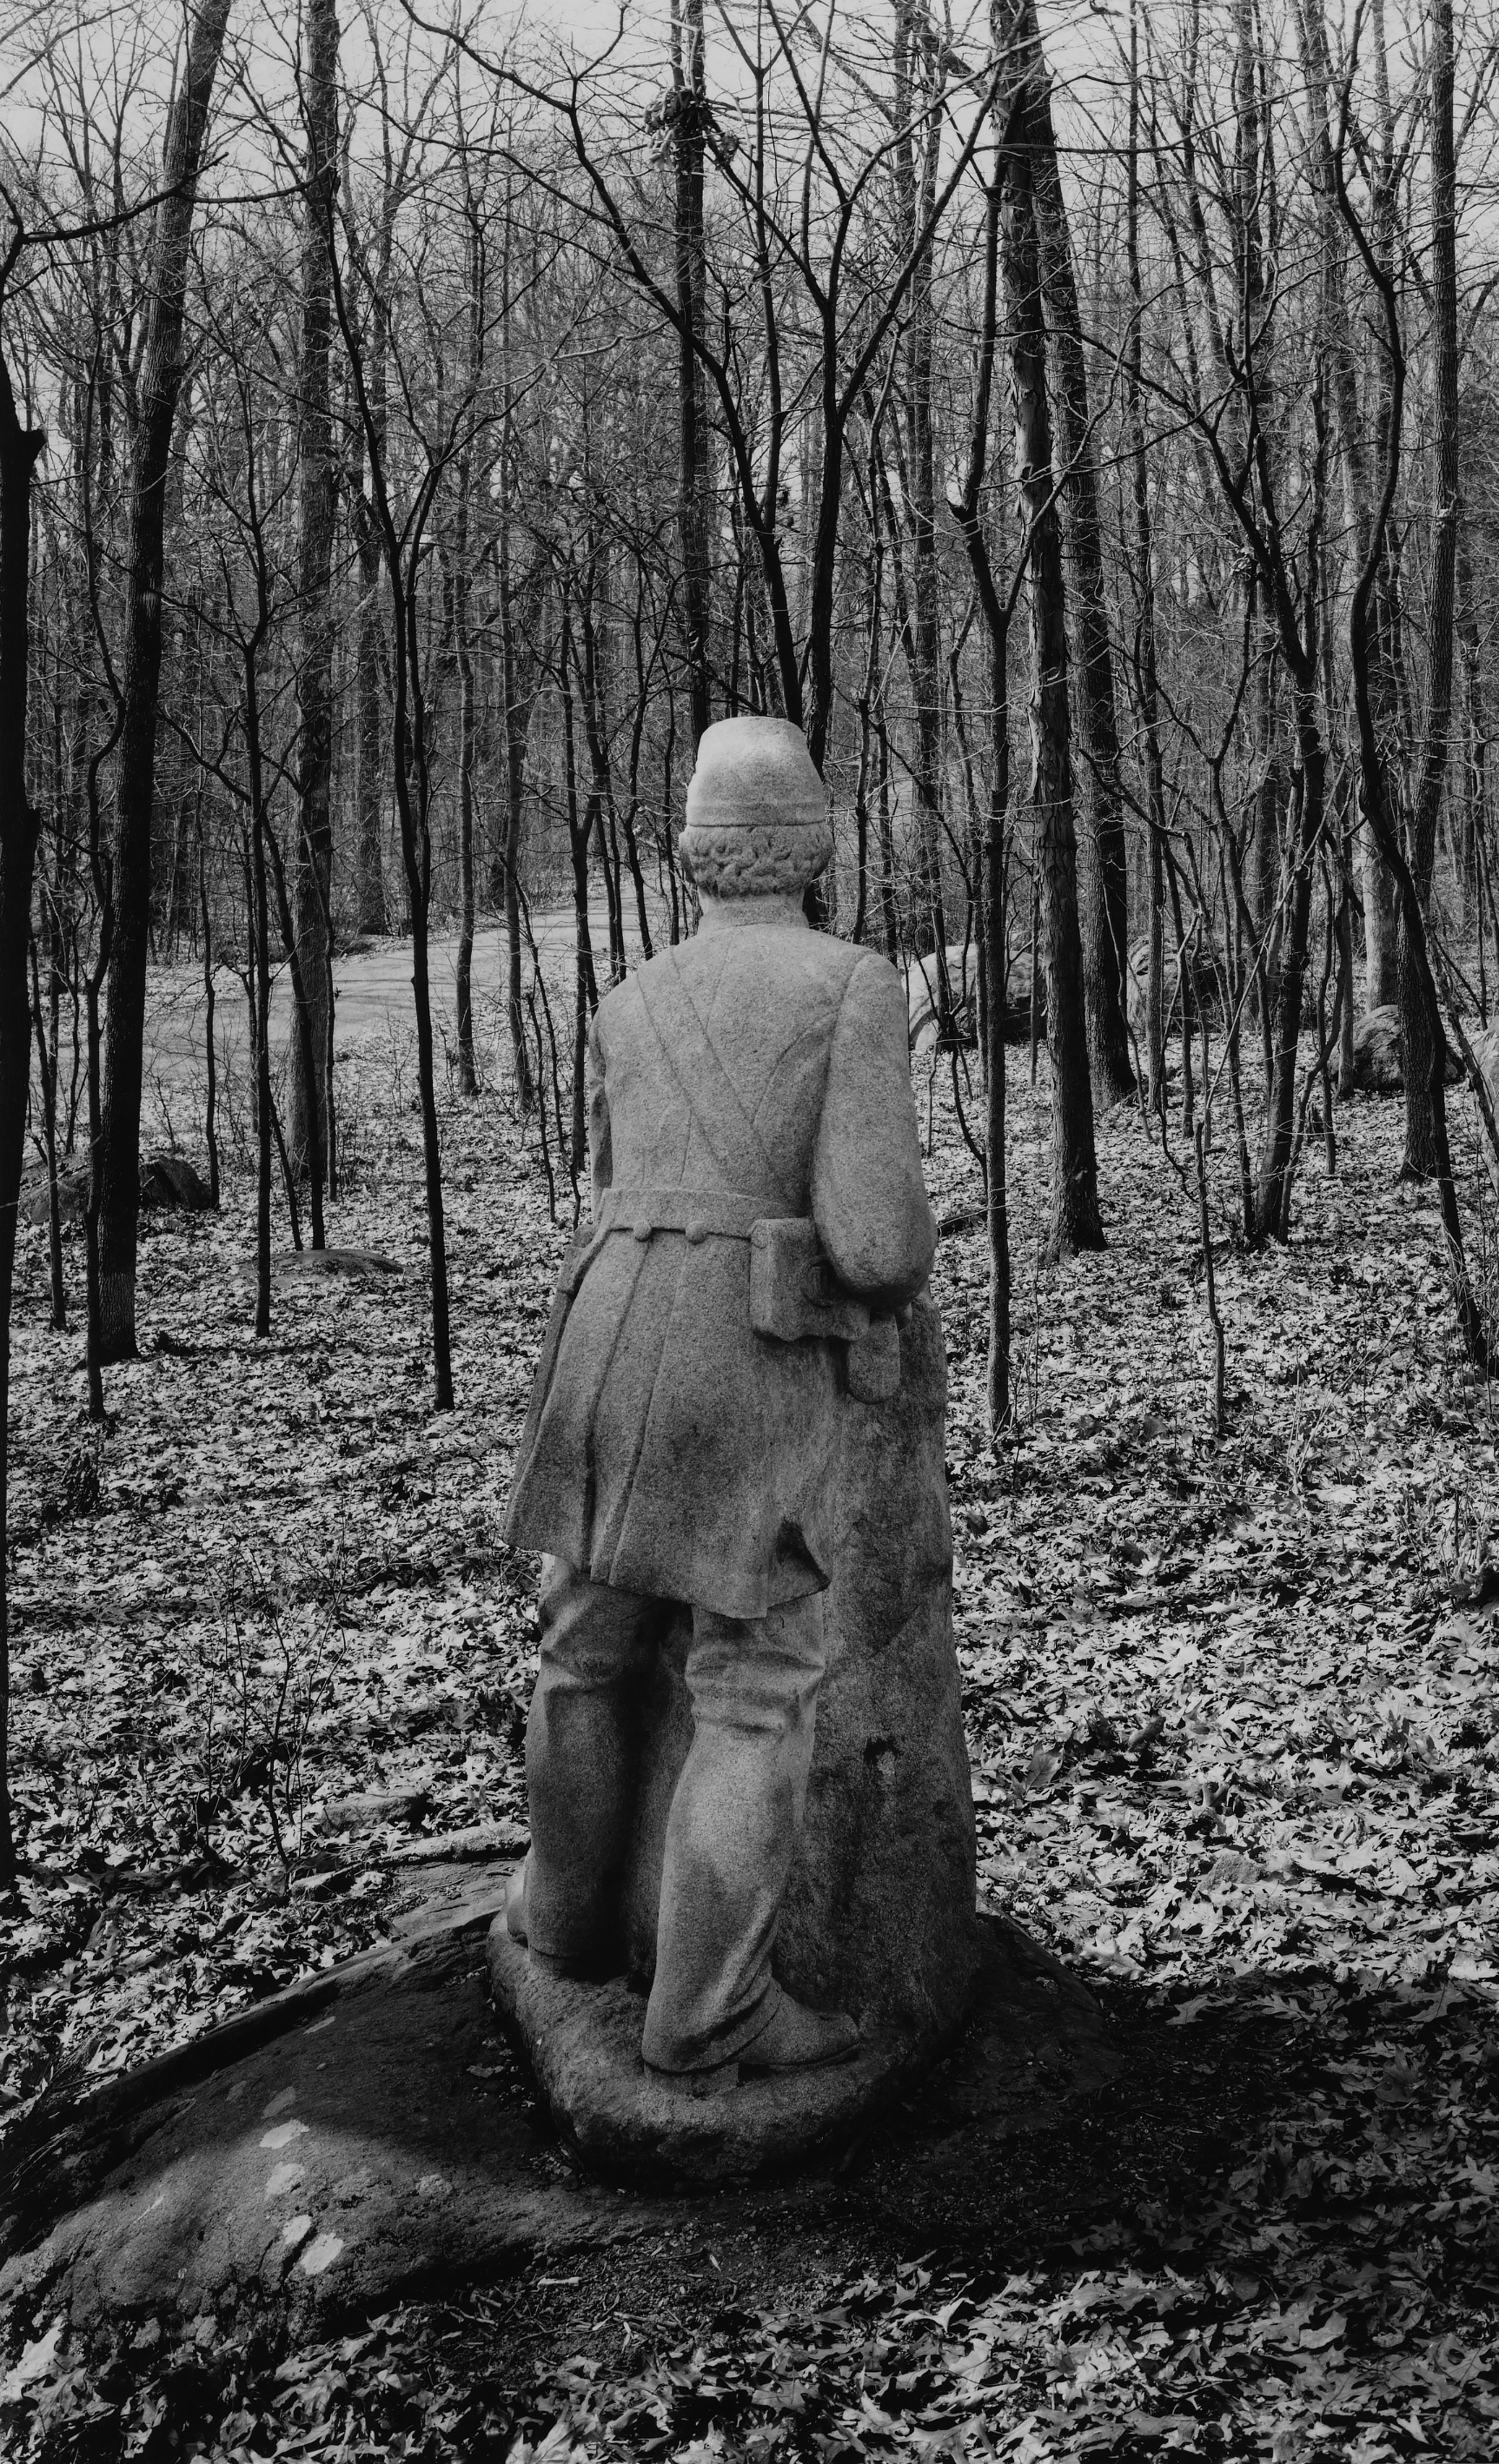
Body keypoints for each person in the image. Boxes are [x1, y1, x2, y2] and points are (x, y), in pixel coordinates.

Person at [501, 715, 935, 2085]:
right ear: (811, 840)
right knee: (754, 1683)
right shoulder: (853, 984)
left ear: (691, 846)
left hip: (602, 1328)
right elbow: (873, 1243)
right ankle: (710, 2013)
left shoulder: (627, 997)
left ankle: (560, 1917)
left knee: (585, 1638)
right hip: (735, 1350)